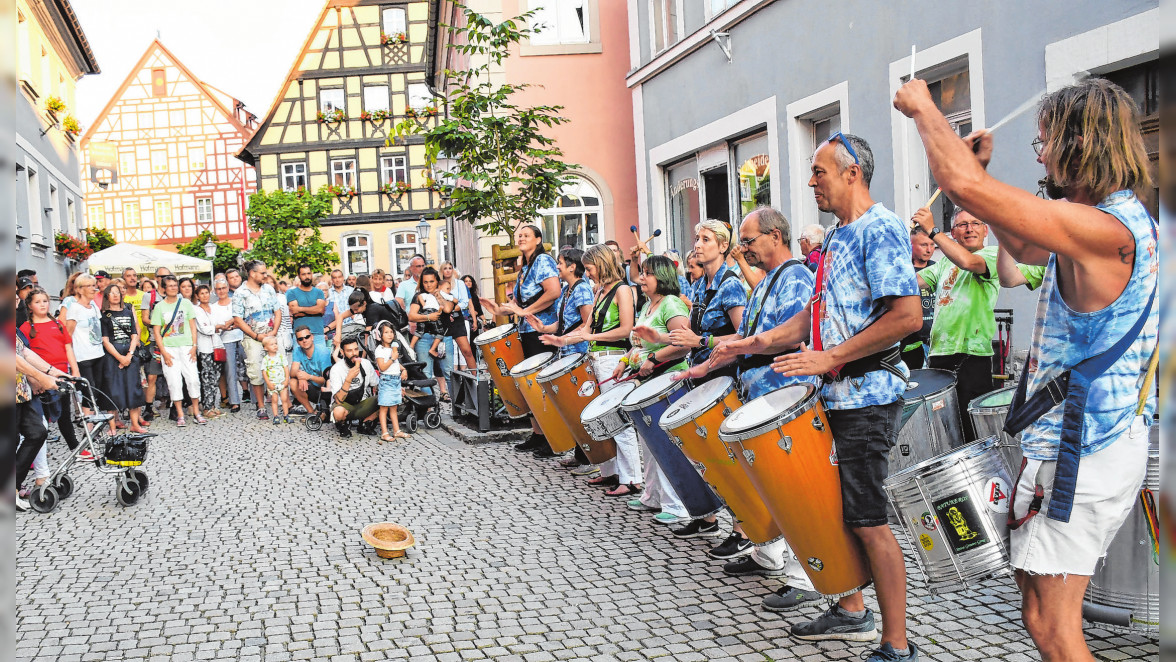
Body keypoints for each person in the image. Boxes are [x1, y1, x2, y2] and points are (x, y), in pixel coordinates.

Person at [896, 76, 1157, 662]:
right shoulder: (1100, 219)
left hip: (1082, 449)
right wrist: (979, 187)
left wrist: (925, 112)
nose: (1039, 154)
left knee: (1052, 624)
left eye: (1044, 143)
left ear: (1079, 143)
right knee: (1038, 609)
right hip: (1074, 442)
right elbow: (1021, 259)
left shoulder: (1107, 230)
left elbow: (962, 183)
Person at [739, 134, 921, 659]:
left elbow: (906, 317)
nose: (812, 181)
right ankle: (849, 609)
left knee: (868, 518)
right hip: (837, 394)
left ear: (852, 173)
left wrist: (831, 357)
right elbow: (814, 315)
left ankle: (896, 643)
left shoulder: (880, 228)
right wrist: (754, 342)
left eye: (819, 171)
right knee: (838, 512)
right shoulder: (839, 236)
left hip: (866, 394)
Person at [677, 207, 820, 609]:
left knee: (790, 486)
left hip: (784, 394)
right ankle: (767, 553)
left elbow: (785, 336)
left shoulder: (794, 276)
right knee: (766, 484)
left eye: (749, 240)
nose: (744, 248)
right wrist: (705, 366)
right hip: (761, 392)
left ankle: (803, 574)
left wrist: (741, 346)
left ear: (775, 236)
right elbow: (744, 336)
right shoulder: (764, 283)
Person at [909, 206, 1000, 441]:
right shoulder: (941, 265)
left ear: (985, 230)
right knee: (944, 433)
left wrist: (931, 230)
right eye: (962, 225)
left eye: (976, 223)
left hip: (971, 355)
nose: (969, 229)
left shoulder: (992, 255)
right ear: (953, 233)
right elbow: (910, 284)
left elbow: (968, 262)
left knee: (972, 434)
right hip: (939, 356)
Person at [555, 244, 642, 485]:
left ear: (602, 264)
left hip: (613, 358)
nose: (588, 272)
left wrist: (590, 338)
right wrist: (562, 339)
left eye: (590, 268)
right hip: (597, 359)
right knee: (601, 421)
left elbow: (626, 329)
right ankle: (610, 472)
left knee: (617, 421)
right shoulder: (599, 291)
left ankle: (631, 479)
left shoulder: (622, 290)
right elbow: (587, 327)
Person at [615, 255, 692, 510]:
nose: (641, 277)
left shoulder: (672, 304)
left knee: (665, 442)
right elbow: (638, 343)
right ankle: (653, 496)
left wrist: (653, 358)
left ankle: (675, 504)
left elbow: (682, 344)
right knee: (649, 442)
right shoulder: (647, 305)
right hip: (648, 381)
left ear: (662, 277)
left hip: (668, 380)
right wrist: (625, 362)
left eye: (647, 273)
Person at [480, 225, 561, 453]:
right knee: (528, 383)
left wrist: (528, 312)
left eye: (526, 235)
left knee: (539, 383)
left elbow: (553, 292)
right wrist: (498, 310)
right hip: (526, 330)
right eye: (519, 236)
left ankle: (551, 436)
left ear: (538, 239)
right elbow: (519, 306)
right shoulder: (525, 266)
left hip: (542, 329)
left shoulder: (543, 261)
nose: (521, 238)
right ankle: (537, 433)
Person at [21, 287, 93, 461]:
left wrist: (74, 370)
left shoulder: (57, 324)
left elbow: (68, 347)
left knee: (64, 415)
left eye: (45, 301)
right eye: (37, 302)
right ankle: (37, 453)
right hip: (40, 378)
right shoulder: (24, 327)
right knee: (42, 418)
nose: (42, 305)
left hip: (61, 375)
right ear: (30, 306)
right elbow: (23, 354)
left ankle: (74, 447)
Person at [671, 220, 747, 381]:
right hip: (700, 372)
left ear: (723, 246)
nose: (697, 245)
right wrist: (656, 338)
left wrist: (702, 341)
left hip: (724, 377)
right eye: (697, 239)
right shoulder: (700, 285)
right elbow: (688, 335)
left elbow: (744, 337)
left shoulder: (730, 285)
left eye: (706, 240)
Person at [15, 323, 66, 512]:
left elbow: (25, 353)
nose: (17, 299)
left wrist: (52, 371)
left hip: (20, 393)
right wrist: (41, 378)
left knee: (37, 432)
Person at [151, 275, 206, 426]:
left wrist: (194, 346)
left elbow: (192, 326)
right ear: (164, 288)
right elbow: (157, 331)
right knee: (174, 381)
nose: (174, 288)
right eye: (170, 285)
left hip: (187, 346)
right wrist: (164, 352)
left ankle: (196, 412)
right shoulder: (159, 307)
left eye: (175, 285)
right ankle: (180, 414)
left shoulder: (186, 303)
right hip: (169, 348)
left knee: (193, 379)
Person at [232, 260, 283, 420]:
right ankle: (261, 406)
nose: (265, 275)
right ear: (252, 274)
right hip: (253, 338)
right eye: (262, 273)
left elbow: (278, 311)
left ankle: (281, 403)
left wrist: (273, 332)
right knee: (255, 371)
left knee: (278, 367)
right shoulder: (240, 293)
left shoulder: (269, 289)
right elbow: (238, 319)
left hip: (272, 335)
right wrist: (256, 336)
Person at [99, 282, 147, 434]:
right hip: (113, 356)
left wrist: (130, 355)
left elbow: (134, 334)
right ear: (107, 296)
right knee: (113, 391)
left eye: (117, 292)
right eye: (111, 292)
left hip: (130, 354)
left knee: (134, 389)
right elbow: (105, 340)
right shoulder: (104, 315)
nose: (115, 295)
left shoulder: (127, 312)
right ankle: (112, 427)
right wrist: (120, 358)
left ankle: (134, 424)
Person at [63, 274, 107, 414]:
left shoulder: (93, 306)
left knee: (97, 388)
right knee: (89, 390)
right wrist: (72, 364)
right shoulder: (75, 308)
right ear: (80, 289)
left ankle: (93, 422)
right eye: (89, 286)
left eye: (94, 285)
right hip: (83, 356)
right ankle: (88, 425)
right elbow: (67, 336)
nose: (94, 289)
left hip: (98, 353)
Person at [405, 270, 452, 399]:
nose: (429, 285)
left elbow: (448, 309)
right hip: (424, 337)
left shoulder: (443, 293)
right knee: (425, 373)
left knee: (449, 372)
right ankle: (429, 407)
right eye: (425, 282)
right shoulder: (419, 296)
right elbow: (411, 315)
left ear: (437, 281)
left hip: (443, 338)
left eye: (431, 281)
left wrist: (439, 296)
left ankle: (456, 408)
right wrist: (428, 317)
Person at [900, 226, 938, 371]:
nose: (929, 250)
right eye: (924, 245)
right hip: (910, 345)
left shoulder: (938, 268)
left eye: (932, 245)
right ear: (911, 245)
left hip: (935, 341)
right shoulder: (903, 271)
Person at [329, 336, 380, 437]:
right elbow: (338, 400)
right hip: (345, 404)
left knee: (388, 398)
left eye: (356, 349)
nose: (354, 353)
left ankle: (366, 423)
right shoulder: (336, 369)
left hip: (363, 403)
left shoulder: (366, 364)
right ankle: (343, 425)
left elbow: (377, 385)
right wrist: (348, 379)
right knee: (338, 412)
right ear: (342, 353)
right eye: (349, 351)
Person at [373, 320, 410, 442]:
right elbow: (382, 367)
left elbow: (396, 363)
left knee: (394, 406)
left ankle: (396, 430)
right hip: (386, 380)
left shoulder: (393, 349)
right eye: (386, 332)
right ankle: (384, 432)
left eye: (391, 332)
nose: (390, 335)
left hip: (395, 380)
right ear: (380, 335)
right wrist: (392, 358)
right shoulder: (380, 350)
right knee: (384, 407)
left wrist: (403, 369)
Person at [192, 284, 225, 419]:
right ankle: (206, 407)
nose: (205, 296)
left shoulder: (214, 308)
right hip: (205, 347)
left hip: (217, 345)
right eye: (202, 293)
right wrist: (216, 327)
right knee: (207, 378)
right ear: (197, 296)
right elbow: (204, 329)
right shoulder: (196, 310)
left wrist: (217, 327)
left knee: (216, 377)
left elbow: (220, 325)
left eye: (207, 293)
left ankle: (212, 405)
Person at [439, 261, 478, 371]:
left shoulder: (459, 283)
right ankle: (450, 380)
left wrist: (452, 309)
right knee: (445, 352)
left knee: (467, 350)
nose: (448, 270)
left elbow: (465, 302)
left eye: (450, 268)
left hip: (457, 317)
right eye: (445, 268)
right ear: (442, 270)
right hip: (443, 319)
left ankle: (475, 377)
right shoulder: (438, 284)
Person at [290, 324, 333, 418]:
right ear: (297, 342)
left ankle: (323, 411)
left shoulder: (323, 352)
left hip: (326, 391)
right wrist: (301, 377)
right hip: (312, 387)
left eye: (307, 337)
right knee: (293, 382)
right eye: (300, 339)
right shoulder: (297, 351)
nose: (304, 340)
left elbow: (327, 380)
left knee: (325, 417)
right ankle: (311, 412)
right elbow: (292, 372)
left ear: (312, 337)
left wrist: (308, 377)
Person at [286, 264, 327, 342]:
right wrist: (314, 310)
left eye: (308, 273)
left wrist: (300, 309)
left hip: (318, 334)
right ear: (299, 276)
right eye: (303, 274)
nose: (307, 276)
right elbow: (294, 311)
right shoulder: (292, 292)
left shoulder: (319, 292)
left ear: (311, 274)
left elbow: (321, 310)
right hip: (300, 335)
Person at [260, 336, 291, 424]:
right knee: (274, 400)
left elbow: (286, 368)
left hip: (282, 382)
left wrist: (286, 380)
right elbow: (264, 372)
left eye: (275, 344)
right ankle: (276, 416)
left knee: (284, 399)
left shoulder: (281, 357)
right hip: (273, 384)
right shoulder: (266, 359)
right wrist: (268, 383)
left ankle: (286, 415)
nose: (275, 346)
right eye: (272, 344)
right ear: (266, 348)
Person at [461, 275, 488, 340]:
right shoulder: (460, 295)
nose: (468, 283)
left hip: (473, 323)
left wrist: (484, 321)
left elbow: (479, 312)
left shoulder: (475, 297)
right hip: (463, 322)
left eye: (470, 281)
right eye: (466, 281)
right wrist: (470, 312)